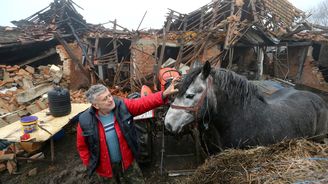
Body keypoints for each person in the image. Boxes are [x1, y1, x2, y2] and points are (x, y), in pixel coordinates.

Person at [76, 81, 178, 183]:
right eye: (105, 99)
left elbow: (142, 103)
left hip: (127, 162)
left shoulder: (122, 106)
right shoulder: (85, 121)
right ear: (96, 105)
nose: (110, 100)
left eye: (109, 95)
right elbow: (82, 147)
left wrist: (163, 94)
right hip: (105, 169)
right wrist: (90, 164)